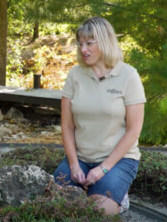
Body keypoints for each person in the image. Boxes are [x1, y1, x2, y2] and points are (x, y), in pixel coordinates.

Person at [53, 17, 145, 214]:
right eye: (80, 44)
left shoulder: (129, 76)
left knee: (96, 212)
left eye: (89, 43)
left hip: (119, 161)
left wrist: (103, 169)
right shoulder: (74, 76)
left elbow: (134, 130)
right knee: (52, 204)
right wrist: (74, 165)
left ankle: (118, 195)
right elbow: (67, 126)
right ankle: (95, 188)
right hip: (81, 159)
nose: (83, 49)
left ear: (104, 42)